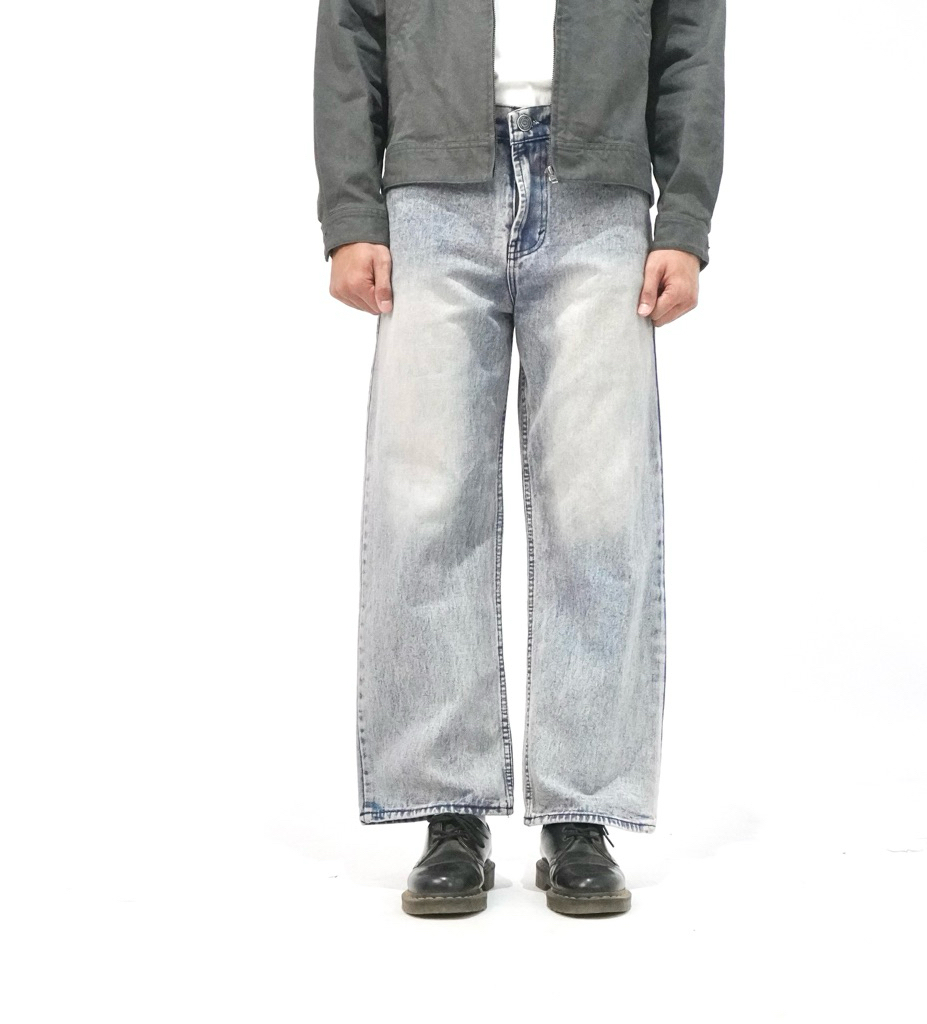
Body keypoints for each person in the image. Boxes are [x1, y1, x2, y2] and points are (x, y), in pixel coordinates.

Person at [313, 0, 725, 916]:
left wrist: (685, 217)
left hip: (600, 190)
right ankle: (449, 809)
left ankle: (581, 811)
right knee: (426, 501)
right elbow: (350, 23)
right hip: (431, 189)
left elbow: (691, 31)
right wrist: (349, 208)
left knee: (599, 501)